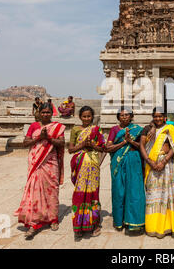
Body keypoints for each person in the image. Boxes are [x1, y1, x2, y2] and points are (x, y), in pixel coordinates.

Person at [15, 103, 66, 240]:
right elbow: (25, 143)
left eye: (48, 112)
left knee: (52, 190)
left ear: (52, 113)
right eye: (43, 112)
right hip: (36, 163)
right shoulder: (34, 126)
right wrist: (39, 137)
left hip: (51, 163)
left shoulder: (57, 127)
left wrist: (48, 138)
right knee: (35, 191)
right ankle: (34, 221)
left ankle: (53, 219)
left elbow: (62, 143)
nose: (45, 115)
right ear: (39, 113)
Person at [139, 107, 174, 239]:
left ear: (165, 117)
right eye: (155, 116)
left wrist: (163, 162)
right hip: (151, 164)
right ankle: (152, 226)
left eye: (160, 116)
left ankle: (168, 226)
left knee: (167, 195)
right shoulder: (147, 129)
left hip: (166, 165)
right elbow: (142, 145)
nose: (158, 118)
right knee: (153, 194)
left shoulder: (170, 128)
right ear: (153, 117)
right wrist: (149, 161)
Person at [106, 107, 145, 233]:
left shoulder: (138, 130)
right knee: (119, 191)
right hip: (118, 162)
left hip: (134, 161)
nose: (124, 117)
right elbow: (108, 147)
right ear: (118, 117)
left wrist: (131, 141)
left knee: (134, 191)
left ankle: (134, 222)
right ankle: (119, 221)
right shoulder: (114, 130)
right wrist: (124, 142)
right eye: (121, 115)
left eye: (127, 115)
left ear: (131, 116)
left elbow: (142, 147)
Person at [69, 106, 105, 240]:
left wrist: (92, 146)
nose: (86, 119)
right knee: (79, 194)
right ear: (80, 117)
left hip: (93, 165)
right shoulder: (75, 130)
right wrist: (83, 144)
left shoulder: (96, 130)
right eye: (84, 116)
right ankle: (78, 226)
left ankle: (94, 224)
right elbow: (70, 150)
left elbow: (103, 147)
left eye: (89, 116)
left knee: (93, 194)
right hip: (80, 163)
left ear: (92, 117)